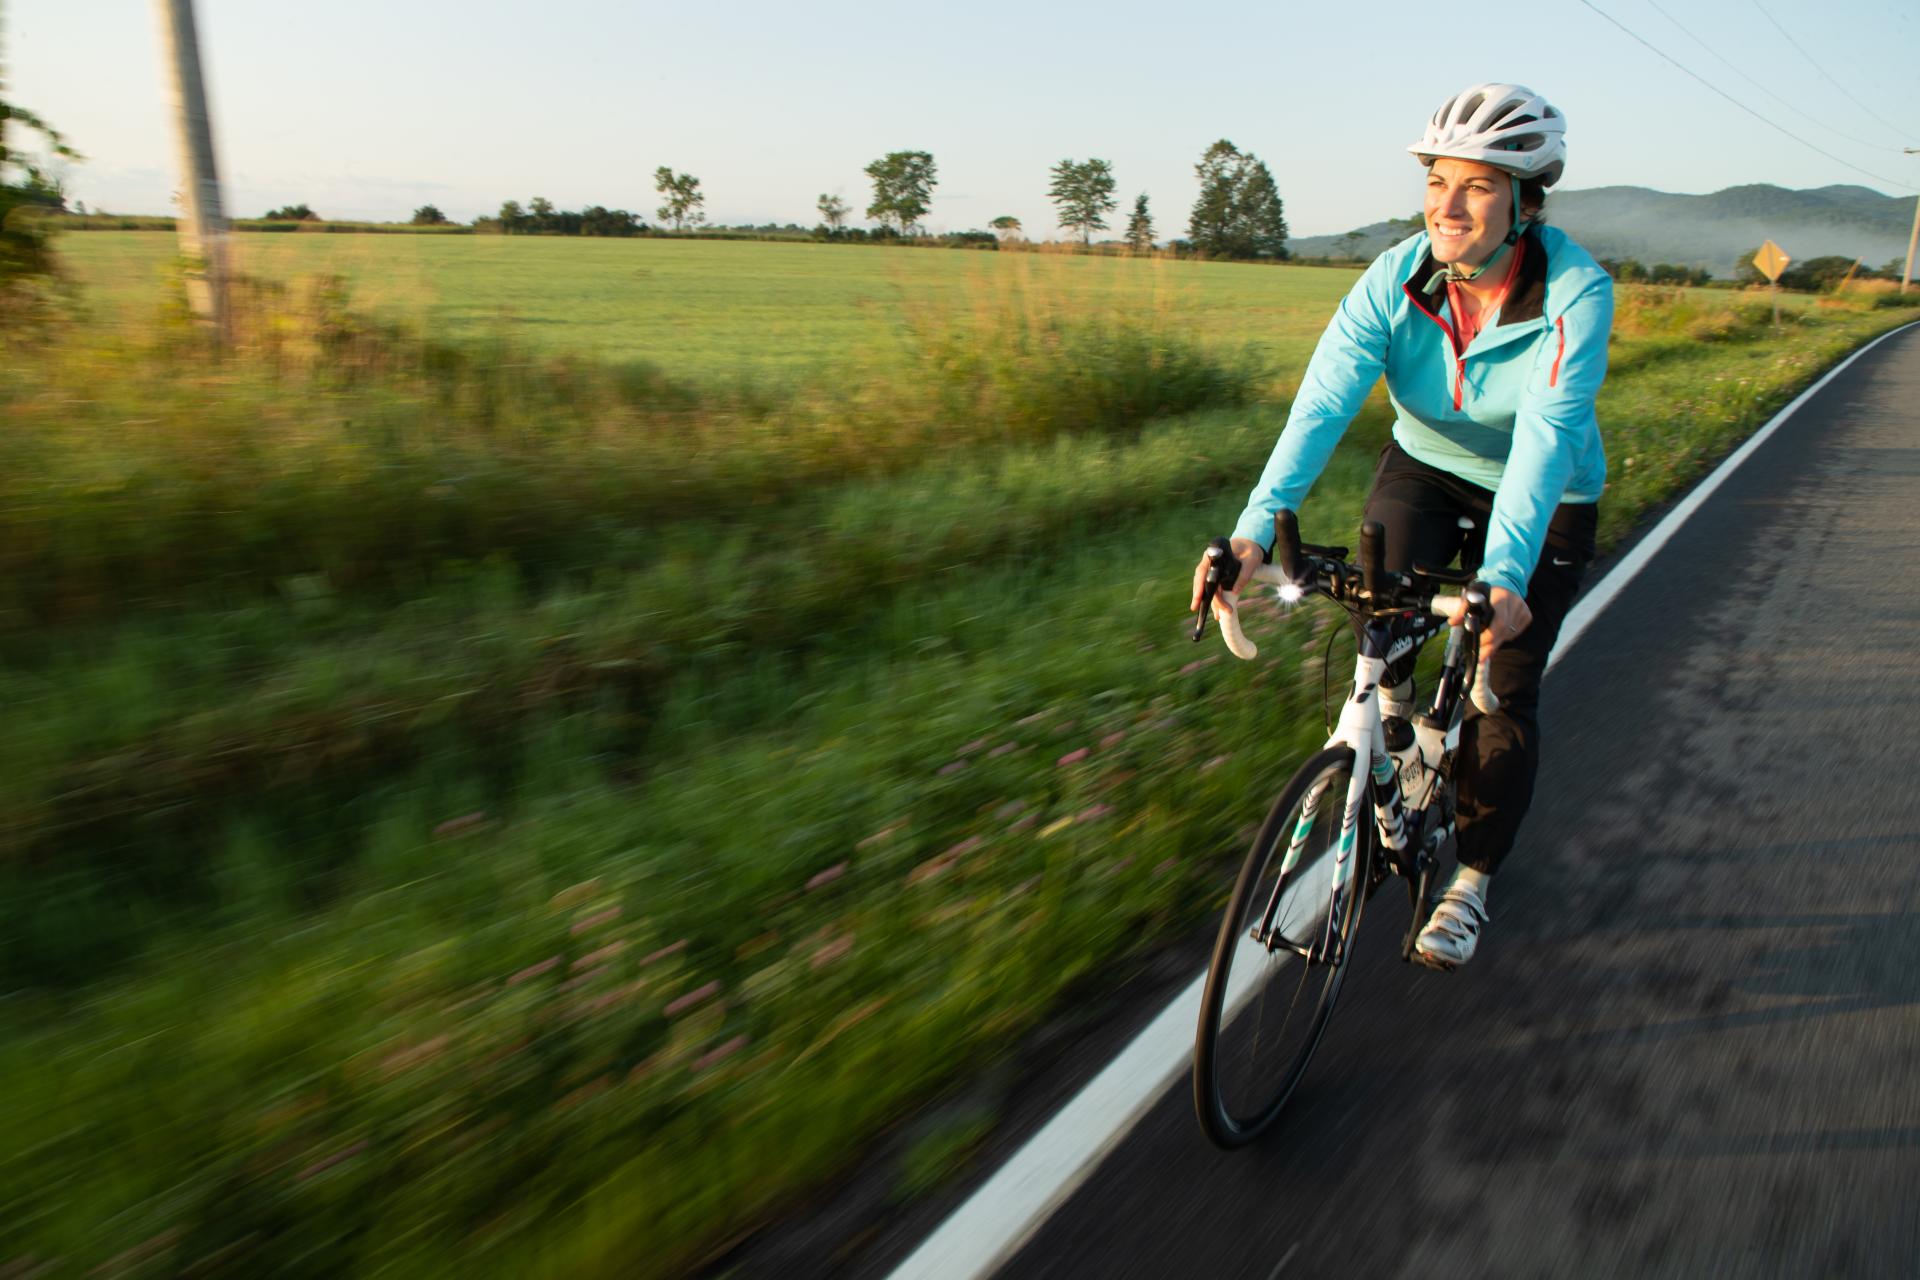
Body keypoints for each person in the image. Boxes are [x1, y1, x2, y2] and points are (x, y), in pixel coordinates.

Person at [1189, 83, 1611, 970]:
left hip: (1544, 497)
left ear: (1526, 204)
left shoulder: (1576, 292)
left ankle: (1472, 881)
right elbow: (1320, 406)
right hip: (1423, 466)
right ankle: (1403, 749)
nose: (1447, 207)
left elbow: (1542, 441)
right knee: (1380, 622)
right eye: (1437, 181)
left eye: (1479, 186)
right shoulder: (1397, 277)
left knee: (1502, 684)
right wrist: (1250, 537)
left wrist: (1501, 581)